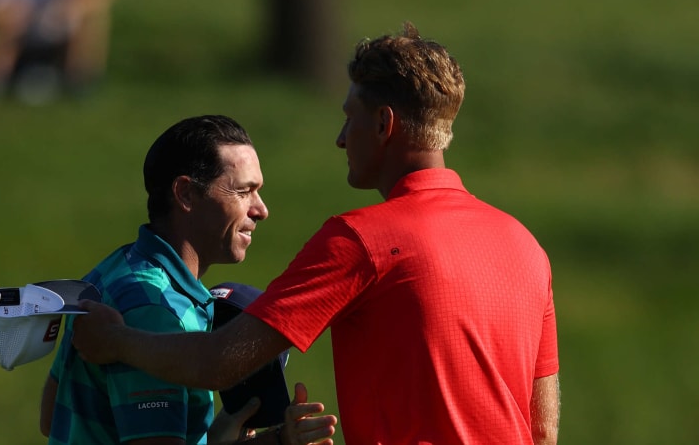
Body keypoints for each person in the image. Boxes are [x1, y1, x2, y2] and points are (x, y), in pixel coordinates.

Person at [71, 22, 560, 444]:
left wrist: (117, 341)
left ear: (384, 124)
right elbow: (542, 429)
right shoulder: (525, 246)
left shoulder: (362, 240)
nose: (341, 138)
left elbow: (219, 362)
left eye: (350, 117)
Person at [39, 115, 337, 444]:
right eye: (243, 191)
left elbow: (52, 418)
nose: (261, 210)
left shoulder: (110, 271)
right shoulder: (156, 311)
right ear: (186, 194)